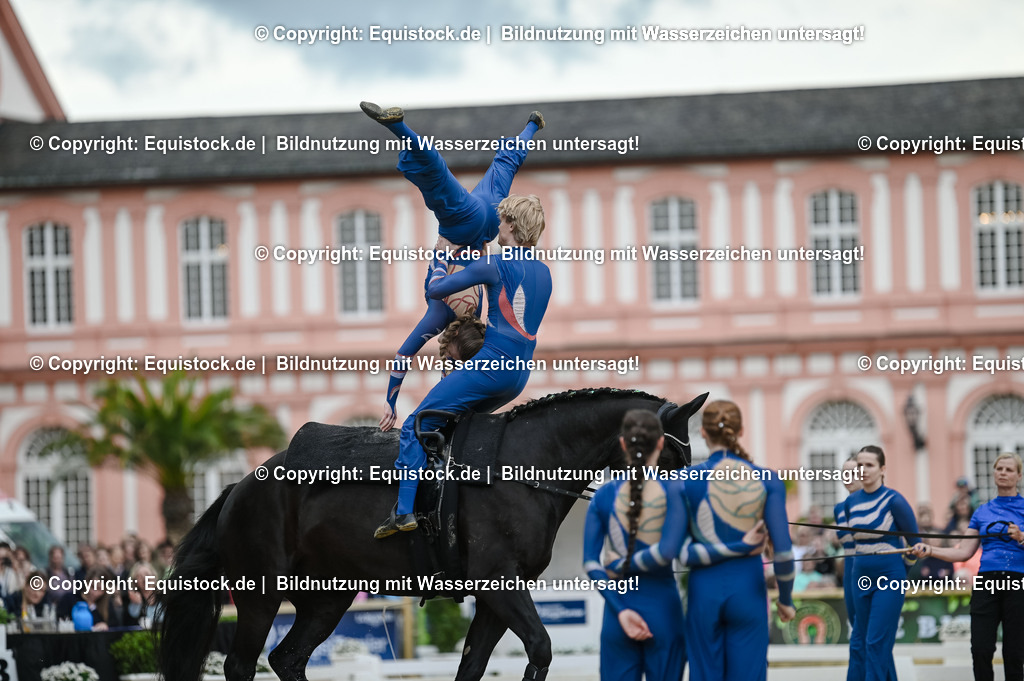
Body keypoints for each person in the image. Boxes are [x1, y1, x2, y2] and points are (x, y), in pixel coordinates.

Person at [374, 194, 552, 538]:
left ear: (512, 226)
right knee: (459, 427)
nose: (496, 227)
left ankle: (404, 512)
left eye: (501, 221)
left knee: (419, 422)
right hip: (519, 375)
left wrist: (441, 255)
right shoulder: (544, 272)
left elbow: (436, 290)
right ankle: (458, 503)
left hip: (491, 366)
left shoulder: (495, 265)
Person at [361, 101, 545, 432]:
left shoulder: (484, 313)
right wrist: (390, 403)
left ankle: (531, 126)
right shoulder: (438, 317)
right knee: (438, 179)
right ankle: (398, 127)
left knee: (503, 166)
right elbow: (403, 357)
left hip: (488, 223)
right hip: (461, 226)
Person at [911, 452, 1024, 681]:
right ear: (993, 473)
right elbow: (963, 550)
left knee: (1014, 652)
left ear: (1019, 475)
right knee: (980, 649)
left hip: (1017, 582)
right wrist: (930, 549)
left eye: (1009, 469)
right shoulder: (982, 511)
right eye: (999, 468)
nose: (1003, 473)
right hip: (987, 581)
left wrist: (1021, 537)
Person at [844, 445, 920, 681]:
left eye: (869, 465)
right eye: (859, 465)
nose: (863, 470)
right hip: (860, 576)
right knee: (860, 642)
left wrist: (899, 572)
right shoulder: (851, 502)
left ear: (882, 469)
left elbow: (915, 545)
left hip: (890, 577)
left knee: (876, 642)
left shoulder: (894, 500)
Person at [833, 455, 863, 680]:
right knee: (857, 632)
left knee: (865, 635)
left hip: (870, 570)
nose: (848, 477)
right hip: (850, 572)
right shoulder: (839, 509)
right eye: (844, 472)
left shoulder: (879, 502)